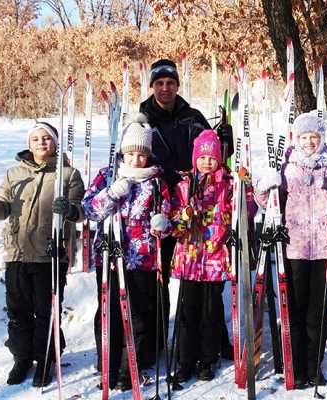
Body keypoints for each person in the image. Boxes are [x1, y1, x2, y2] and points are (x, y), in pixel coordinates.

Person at [0, 121, 85, 387]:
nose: (41, 143)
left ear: (55, 143)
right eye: (36, 139)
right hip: (18, 255)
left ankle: (45, 359)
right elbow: (3, 208)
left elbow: (81, 210)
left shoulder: (68, 174)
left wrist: (69, 209)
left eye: (46, 138)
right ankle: (21, 358)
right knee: (18, 312)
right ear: (28, 144)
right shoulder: (14, 174)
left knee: (46, 312)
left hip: (50, 256)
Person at [139, 58, 235, 363]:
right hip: (159, 207)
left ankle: (216, 341)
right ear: (152, 86)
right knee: (160, 277)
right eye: (159, 83)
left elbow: (214, 156)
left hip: (193, 210)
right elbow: (132, 155)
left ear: (177, 86)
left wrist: (226, 142)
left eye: (170, 83)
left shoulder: (192, 117)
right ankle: (158, 343)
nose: (165, 88)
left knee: (205, 281)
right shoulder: (142, 119)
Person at [253, 112, 327, 388]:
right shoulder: (287, 167)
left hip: (326, 248)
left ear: (321, 138)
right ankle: (294, 365)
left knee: (317, 311)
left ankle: (314, 365)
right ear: (295, 139)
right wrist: (265, 186)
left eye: (314, 137)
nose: (309, 142)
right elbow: (265, 202)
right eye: (304, 137)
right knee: (295, 309)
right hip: (293, 247)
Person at [82, 114, 172, 390]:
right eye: (131, 153)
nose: (136, 160)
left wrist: (162, 224)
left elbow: (166, 214)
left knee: (138, 315)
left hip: (142, 259)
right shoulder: (107, 175)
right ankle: (107, 363)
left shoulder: (156, 180)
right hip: (110, 256)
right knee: (108, 312)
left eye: (141, 154)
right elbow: (88, 209)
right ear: (122, 152)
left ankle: (127, 367)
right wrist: (111, 194)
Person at [169, 130, 232, 383]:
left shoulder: (227, 184)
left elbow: (245, 211)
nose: (207, 161)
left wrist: (246, 188)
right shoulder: (184, 186)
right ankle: (185, 360)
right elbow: (174, 225)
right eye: (202, 156)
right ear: (195, 158)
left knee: (210, 311)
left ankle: (207, 359)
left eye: (212, 157)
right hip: (189, 259)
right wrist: (185, 214)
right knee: (188, 311)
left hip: (215, 259)